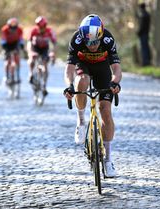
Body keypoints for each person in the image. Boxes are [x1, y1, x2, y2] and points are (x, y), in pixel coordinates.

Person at [63, 14, 122, 178]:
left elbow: (116, 68)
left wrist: (115, 82)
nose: (92, 45)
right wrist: (69, 85)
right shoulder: (76, 39)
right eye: (88, 42)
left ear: (101, 36)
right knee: (81, 81)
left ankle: (108, 160)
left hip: (103, 69)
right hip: (84, 67)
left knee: (105, 111)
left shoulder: (108, 39)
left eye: (96, 42)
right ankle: (81, 121)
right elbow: (69, 68)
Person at [27, 16, 56, 96]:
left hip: (44, 49)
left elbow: (54, 43)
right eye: (39, 26)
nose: (41, 28)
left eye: (43, 26)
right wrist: (30, 52)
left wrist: (53, 53)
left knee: (45, 66)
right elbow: (29, 43)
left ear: (45, 26)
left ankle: (44, 86)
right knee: (32, 59)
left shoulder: (50, 31)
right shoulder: (33, 30)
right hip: (35, 47)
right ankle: (31, 74)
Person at [1, 17, 26, 84]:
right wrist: (4, 46)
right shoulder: (5, 29)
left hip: (15, 44)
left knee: (17, 59)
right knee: (7, 62)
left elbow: (21, 38)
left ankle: (18, 76)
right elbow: (3, 39)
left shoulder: (19, 29)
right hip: (7, 44)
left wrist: (22, 45)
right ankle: (6, 76)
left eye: (14, 27)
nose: (13, 29)